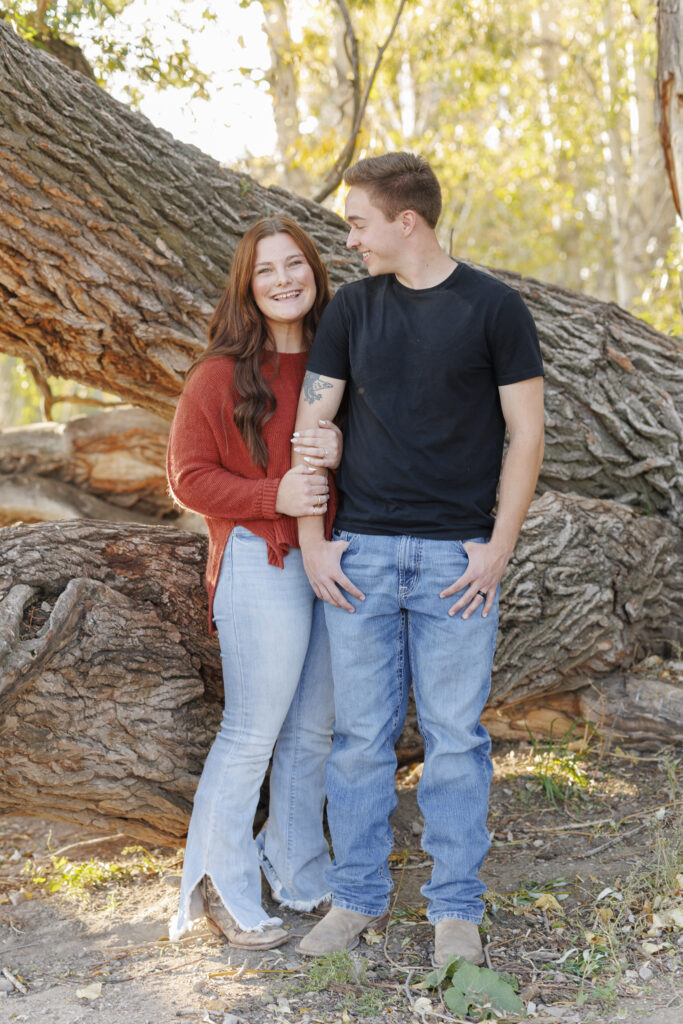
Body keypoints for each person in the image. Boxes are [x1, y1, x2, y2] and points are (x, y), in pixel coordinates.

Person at [291, 153, 545, 965]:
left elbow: (527, 434)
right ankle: (356, 901)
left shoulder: (494, 308)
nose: (351, 240)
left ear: (407, 221)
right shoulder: (353, 311)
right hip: (359, 555)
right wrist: (312, 540)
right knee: (358, 740)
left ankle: (454, 914)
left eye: (359, 222)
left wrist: (497, 550)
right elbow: (309, 432)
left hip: (455, 564)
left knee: (455, 740)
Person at [167, 217, 343, 950]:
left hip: (333, 561)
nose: (282, 280)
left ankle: (297, 868)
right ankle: (219, 884)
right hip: (258, 562)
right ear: (247, 286)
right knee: (250, 734)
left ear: (313, 273)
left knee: (311, 733)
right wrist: (274, 496)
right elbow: (187, 479)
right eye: (265, 270)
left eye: (293, 264)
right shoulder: (219, 375)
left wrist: (343, 447)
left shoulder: (340, 365)